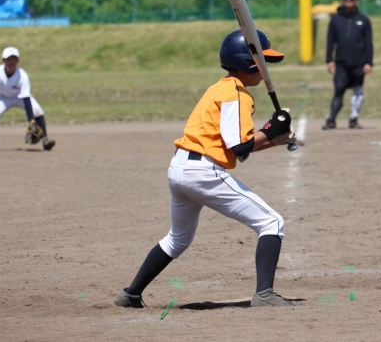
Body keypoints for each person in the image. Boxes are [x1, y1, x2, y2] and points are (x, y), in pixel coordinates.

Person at [113, 29, 299, 309]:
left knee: (177, 240)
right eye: (262, 62)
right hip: (202, 173)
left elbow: (234, 147)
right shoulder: (237, 94)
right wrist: (273, 126)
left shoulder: (219, 88)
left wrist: (273, 139)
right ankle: (264, 295)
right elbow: (241, 147)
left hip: (180, 168)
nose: (265, 70)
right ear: (247, 63)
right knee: (271, 223)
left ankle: (130, 294)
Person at [0, 46, 55, 152]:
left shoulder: (22, 75)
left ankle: (45, 141)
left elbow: (26, 97)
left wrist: (31, 119)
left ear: (18, 60)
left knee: (37, 111)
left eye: (14, 58)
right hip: (4, 97)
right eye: (8, 59)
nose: (11, 61)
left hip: (20, 97)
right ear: (3, 60)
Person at [322, 0, 373, 130]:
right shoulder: (336, 19)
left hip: (359, 63)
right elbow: (330, 41)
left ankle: (353, 119)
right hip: (341, 63)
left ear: (356, 0)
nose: (348, 0)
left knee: (358, 90)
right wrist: (329, 60)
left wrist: (368, 62)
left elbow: (368, 43)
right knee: (339, 90)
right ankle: (331, 120)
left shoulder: (363, 20)